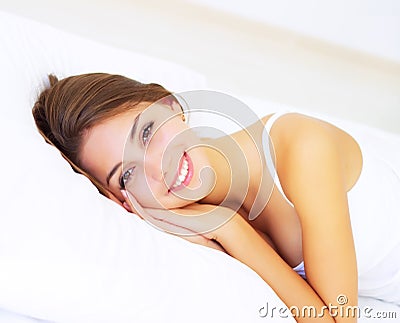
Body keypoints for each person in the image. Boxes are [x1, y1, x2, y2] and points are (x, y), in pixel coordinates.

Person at [32, 73, 400, 322]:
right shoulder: (187, 217)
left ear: (171, 106)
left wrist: (233, 230)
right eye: (128, 174)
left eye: (146, 133)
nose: (160, 168)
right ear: (122, 201)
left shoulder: (301, 148)